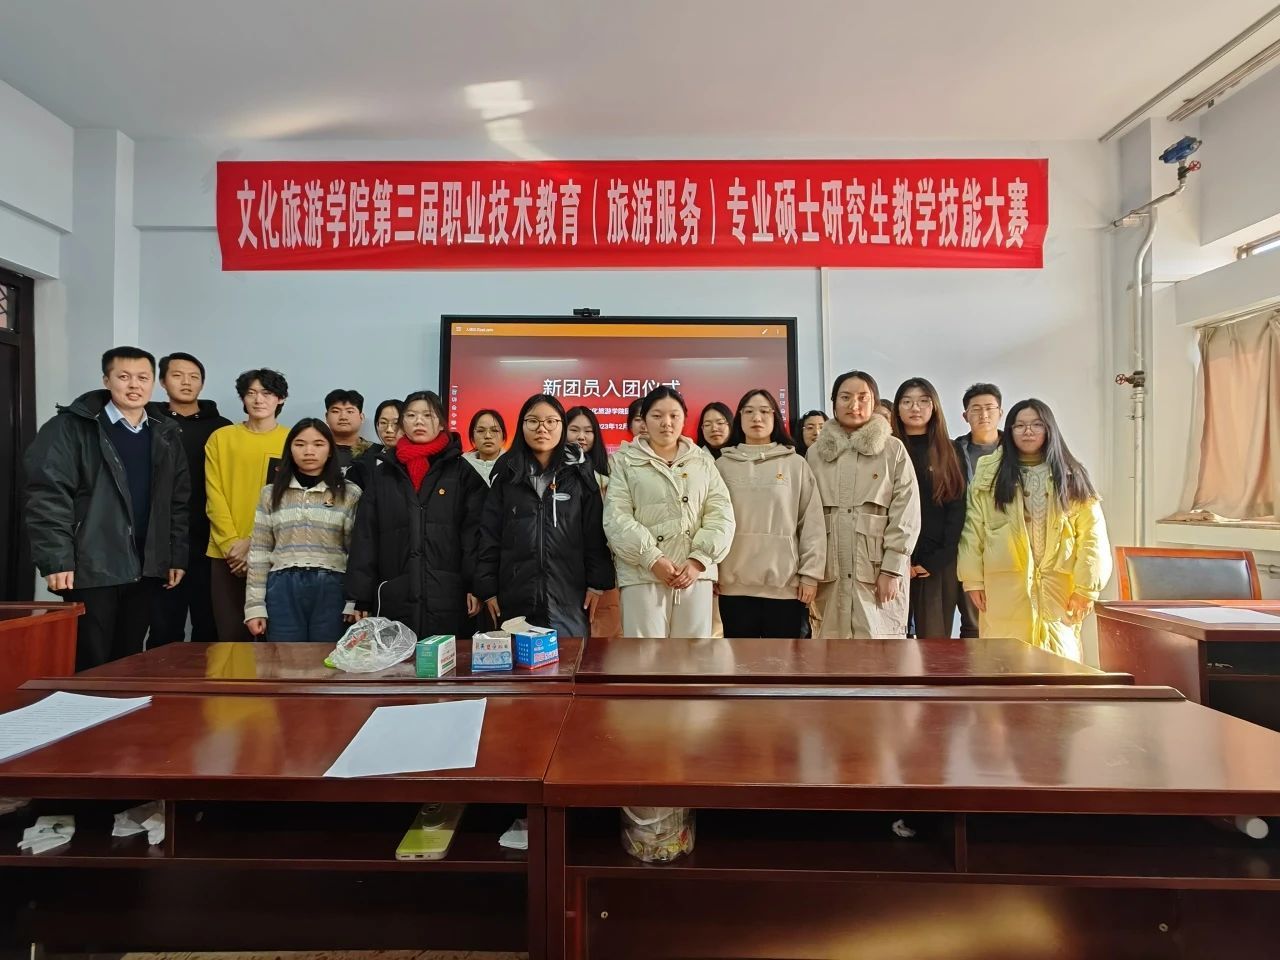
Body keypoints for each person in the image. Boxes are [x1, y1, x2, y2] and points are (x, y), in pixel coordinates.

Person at [24, 347, 190, 670]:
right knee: (90, 659)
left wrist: (175, 555)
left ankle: (119, 706)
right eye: (123, 376)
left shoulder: (165, 432)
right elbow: (48, 496)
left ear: (153, 382)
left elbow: (177, 502)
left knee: (128, 659)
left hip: (145, 565)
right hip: (91, 564)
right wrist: (56, 559)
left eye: (143, 377)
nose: (134, 385)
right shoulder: (71, 427)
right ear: (106, 380)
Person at [958, 399, 1112, 662]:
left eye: (1036, 425)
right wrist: (972, 580)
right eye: (1019, 426)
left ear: (1049, 429)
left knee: (1059, 663)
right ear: (1009, 430)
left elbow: (1092, 536)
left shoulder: (1072, 474)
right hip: (1004, 585)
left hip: (1058, 587)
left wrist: (1087, 588)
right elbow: (973, 529)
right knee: (1004, 661)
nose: (1027, 431)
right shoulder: (989, 473)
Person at [345, 390, 487, 638]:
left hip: (448, 596)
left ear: (441, 423)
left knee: (445, 659)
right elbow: (365, 536)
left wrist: (476, 586)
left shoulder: (462, 473)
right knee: (399, 660)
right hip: (395, 593)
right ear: (403, 423)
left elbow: (475, 535)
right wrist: (361, 595)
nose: (419, 421)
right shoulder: (383, 475)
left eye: (427, 415)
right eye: (411, 415)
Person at [476, 395, 614, 637]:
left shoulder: (579, 475)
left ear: (562, 426)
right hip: (515, 594)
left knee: (569, 656)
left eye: (551, 421)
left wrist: (596, 583)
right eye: (533, 421)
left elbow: (594, 533)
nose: (542, 429)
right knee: (518, 657)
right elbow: (489, 535)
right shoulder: (506, 474)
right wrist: (487, 589)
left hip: (569, 596)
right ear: (522, 425)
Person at [604, 387, 735, 638]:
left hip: (694, 574)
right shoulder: (624, 461)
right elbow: (616, 517)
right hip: (642, 574)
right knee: (644, 654)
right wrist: (652, 558)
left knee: (693, 653)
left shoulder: (703, 461)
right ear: (644, 421)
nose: (666, 423)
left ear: (684, 419)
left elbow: (721, 514)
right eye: (657, 416)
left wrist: (698, 560)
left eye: (674, 415)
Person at [807, 371, 920, 639]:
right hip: (830, 574)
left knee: (881, 650)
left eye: (862, 398)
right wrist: (808, 572)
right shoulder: (815, 454)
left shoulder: (893, 450)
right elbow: (807, 518)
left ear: (874, 402)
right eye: (845, 397)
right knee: (830, 651)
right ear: (834, 402)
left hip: (876, 573)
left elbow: (906, 513)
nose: (854, 405)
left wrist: (892, 568)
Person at [715, 389, 825, 638]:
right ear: (739, 418)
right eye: (749, 412)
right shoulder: (721, 466)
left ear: (775, 418)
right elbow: (709, 522)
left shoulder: (795, 464)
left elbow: (812, 523)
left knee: (783, 660)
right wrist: (710, 572)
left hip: (785, 588)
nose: (757, 418)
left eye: (765, 411)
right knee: (739, 660)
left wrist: (810, 574)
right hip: (733, 587)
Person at [244, 419, 361, 642]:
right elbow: (259, 552)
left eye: (318, 444)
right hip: (282, 588)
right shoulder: (270, 493)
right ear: (289, 449)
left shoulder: (349, 493)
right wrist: (255, 606)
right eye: (300, 444)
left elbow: (356, 553)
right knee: (284, 658)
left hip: (333, 588)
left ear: (330, 450)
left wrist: (353, 600)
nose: (309, 451)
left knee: (329, 658)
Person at [147, 351, 231, 645]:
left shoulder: (222, 428)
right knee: (164, 624)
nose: (186, 382)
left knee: (209, 624)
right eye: (177, 375)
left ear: (202, 384)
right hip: (163, 536)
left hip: (209, 536)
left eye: (194, 377)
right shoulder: (149, 422)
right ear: (162, 381)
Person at [205, 368, 290, 641]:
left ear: (280, 398)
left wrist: (253, 542)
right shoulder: (221, 438)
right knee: (231, 637)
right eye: (251, 393)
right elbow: (214, 495)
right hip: (226, 554)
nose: (258, 399)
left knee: (275, 638)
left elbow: (289, 500)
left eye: (267, 393)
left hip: (276, 551)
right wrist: (232, 545)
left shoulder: (293, 441)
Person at [892, 377, 966, 639]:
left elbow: (957, 509)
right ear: (897, 408)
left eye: (924, 401)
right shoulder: (888, 449)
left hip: (936, 563)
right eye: (907, 401)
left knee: (934, 644)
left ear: (934, 407)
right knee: (888, 642)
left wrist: (935, 560)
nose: (915, 408)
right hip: (892, 562)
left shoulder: (950, 450)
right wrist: (898, 560)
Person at [952, 382, 1004, 638]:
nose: (984, 414)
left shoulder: (1014, 452)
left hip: (1000, 548)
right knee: (971, 623)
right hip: (960, 544)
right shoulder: (952, 452)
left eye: (989, 408)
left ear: (1000, 413)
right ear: (965, 416)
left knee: (998, 620)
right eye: (976, 409)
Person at [565, 405, 621, 636]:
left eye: (588, 431)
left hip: (605, 568)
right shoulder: (554, 474)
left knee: (606, 639)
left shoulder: (611, 473)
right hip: (566, 568)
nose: (581, 437)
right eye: (574, 430)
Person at [324, 388, 372, 474]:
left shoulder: (374, 452)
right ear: (327, 417)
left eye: (350, 411)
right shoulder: (317, 451)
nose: (343, 417)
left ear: (361, 417)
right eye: (336, 411)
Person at [462, 408, 506, 486]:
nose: (488, 436)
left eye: (494, 430)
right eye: (481, 431)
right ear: (472, 438)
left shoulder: (515, 467)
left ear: (503, 437)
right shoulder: (461, 466)